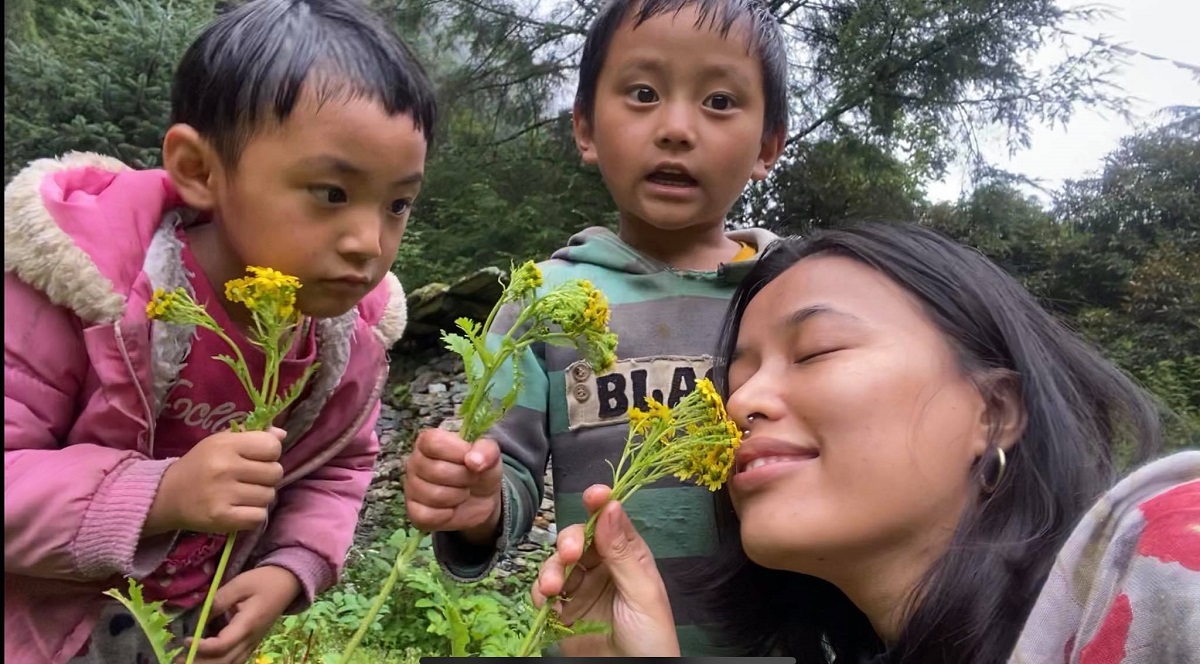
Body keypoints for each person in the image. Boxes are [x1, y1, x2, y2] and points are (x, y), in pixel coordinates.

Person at [534, 223, 1200, 663]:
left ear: (994, 412)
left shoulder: (1163, 564)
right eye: (736, 375)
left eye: (816, 351)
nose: (737, 405)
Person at [3, 1, 436, 662]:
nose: (369, 243)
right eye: (331, 193)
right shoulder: (83, 290)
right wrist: (160, 495)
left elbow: (339, 466)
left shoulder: (342, 340)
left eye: (398, 204)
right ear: (200, 170)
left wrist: (291, 567)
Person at [402, 0, 787, 654]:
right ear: (585, 128)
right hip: (597, 644)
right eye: (643, 93)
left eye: (719, 102)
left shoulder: (790, 295)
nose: (676, 128)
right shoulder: (545, 301)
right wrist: (477, 502)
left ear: (768, 146)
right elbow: (506, 470)